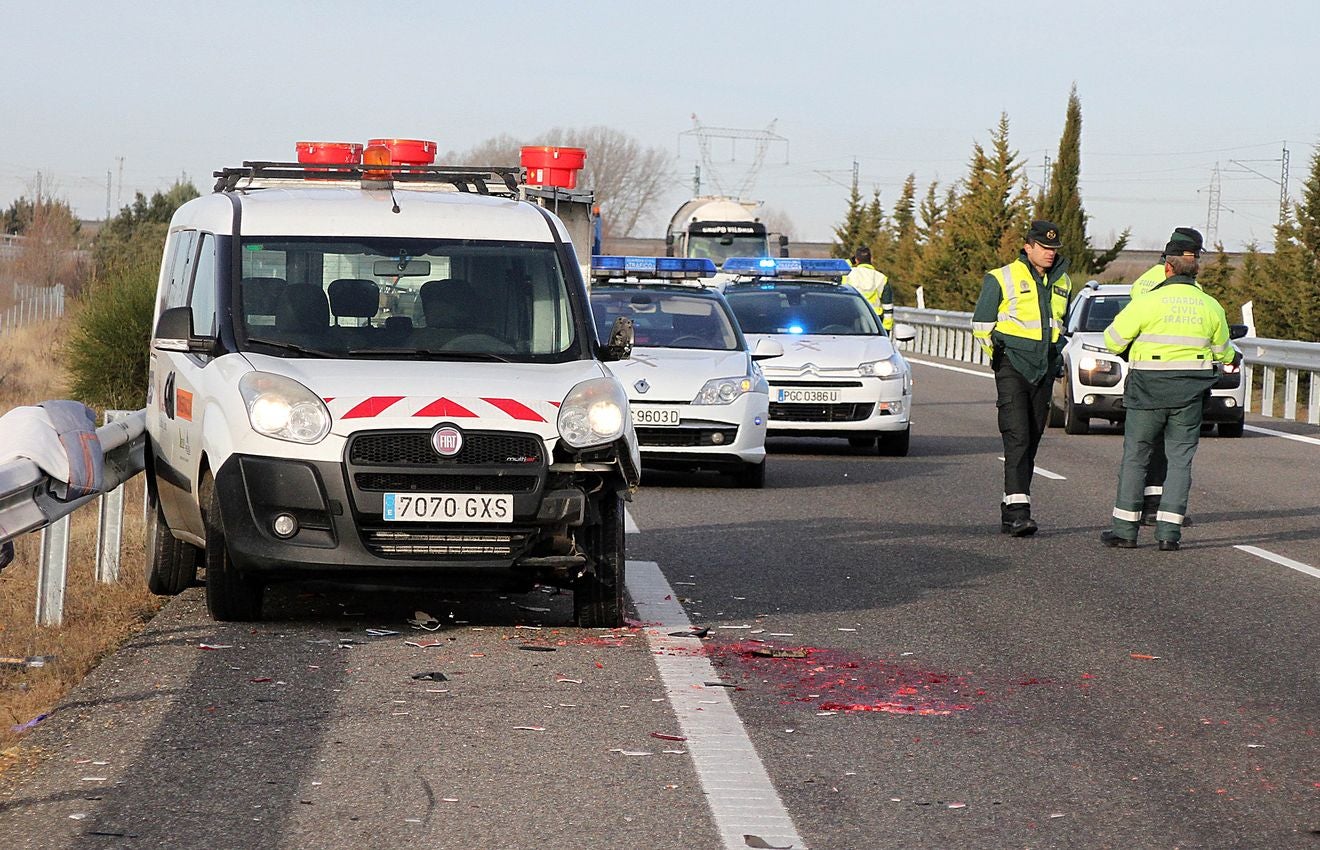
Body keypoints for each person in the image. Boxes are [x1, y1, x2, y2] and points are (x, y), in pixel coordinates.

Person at [1099, 235, 1235, 551]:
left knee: (1136, 456)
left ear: (1168, 267)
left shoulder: (1147, 301)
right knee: (1180, 461)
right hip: (1189, 395)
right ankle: (1169, 535)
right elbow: (1224, 354)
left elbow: (1113, 341)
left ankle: (1124, 531)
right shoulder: (1211, 306)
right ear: (1195, 269)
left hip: (1147, 392)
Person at [972, 220, 1072, 537]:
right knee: (1017, 436)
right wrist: (1000, 357)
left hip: (1043, 369)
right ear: (1028, 247)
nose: (1049, 254)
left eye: (1053, 249)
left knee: (1031, 438)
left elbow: (1060, 325)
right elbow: (981, 325)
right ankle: (1019, 512)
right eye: (1043, 247)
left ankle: (1010, 505)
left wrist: (1055, 356)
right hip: (1012, 366)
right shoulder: (1001, 278)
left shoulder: (1063, 282)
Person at [1128, 227, 1208, 525]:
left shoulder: (1143, 281)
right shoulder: (1190, 288)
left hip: (1146, 372)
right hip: (1179, 376)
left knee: (1142, 448)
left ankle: (1136, 510)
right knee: (1168, 449)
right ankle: (1156, 507)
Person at [843, 246, 894, 332]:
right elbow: (888, 307)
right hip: (875, 321)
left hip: (851, 319)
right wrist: (886, 329)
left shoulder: (848, 274)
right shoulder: (881, 278)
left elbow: (839, 267)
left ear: (856, 260)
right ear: (871, 259)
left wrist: (850, 261)